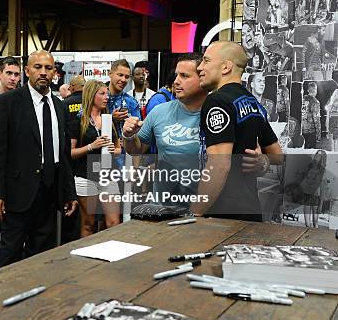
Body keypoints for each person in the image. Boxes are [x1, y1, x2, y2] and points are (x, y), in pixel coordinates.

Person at [0, 50, 77, 269]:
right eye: (37, 67)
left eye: (48, 68)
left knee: (42, 256)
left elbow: (63, 154)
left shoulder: (59, 105)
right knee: (9, 254)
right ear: (27, 71)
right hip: (17, 193)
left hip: (50, 192)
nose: (43, 73)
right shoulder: (7, 103)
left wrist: (68, 190)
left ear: (55, 73)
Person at [193, 41, 283, 221]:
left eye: (206, 61)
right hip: (250, 210)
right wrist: (263, 162)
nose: (200, 67)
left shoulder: (217, 101)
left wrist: (195, 212)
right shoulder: (253, 102)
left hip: (222, 212)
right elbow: (277, 155)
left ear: (226, 67)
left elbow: (219, 165)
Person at [123, 54, 206, 204]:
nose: (176, 81)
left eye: (184, 76)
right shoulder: (159, 111)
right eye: (176, 75)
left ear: (203, 78)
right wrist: (128, 136)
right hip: (164, 206)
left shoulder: (217, 114)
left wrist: (261, 164)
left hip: (204, 207)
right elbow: (136, 149)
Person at [69, 80, 120, 237]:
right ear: (92, 96)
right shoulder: (79, 120)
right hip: (86, 176)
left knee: (113, 222)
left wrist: (114, 150)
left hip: (108, 174)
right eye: (102, 94)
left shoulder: (108, 120)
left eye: (107, 94)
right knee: (88, 224)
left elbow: (119, 148)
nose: (107, 97)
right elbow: (71, 152)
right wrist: (91, 146)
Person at [107, 59, 141, 138]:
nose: (123, 80)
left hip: (125, 148)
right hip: (102, 147)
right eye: (120, 75)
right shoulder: (98, 98)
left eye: (127, 77)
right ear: (110, 74)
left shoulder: (132, 102)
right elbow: (88, 125)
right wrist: (111, 119)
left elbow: (138, 131)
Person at [302, 81, 321, 149]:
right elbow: (316, 119)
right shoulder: (315, 102)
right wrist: (318, 134)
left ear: (308, 90)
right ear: (315, 90)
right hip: (311, 131)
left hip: (302, 130)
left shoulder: (302, 99)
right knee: (311, 153)